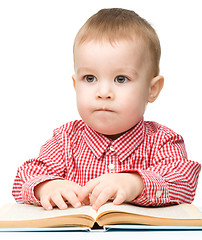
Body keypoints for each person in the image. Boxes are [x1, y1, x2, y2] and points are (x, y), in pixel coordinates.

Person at [12, 8, 201, 211]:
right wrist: (46, 186)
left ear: (152, 89)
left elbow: (184, 180)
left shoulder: (162, 141)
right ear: (76, 85)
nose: (103, 92)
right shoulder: (65, 140)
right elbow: (25, 176)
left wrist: (136, 183)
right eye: (90, 78)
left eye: (121, 79)